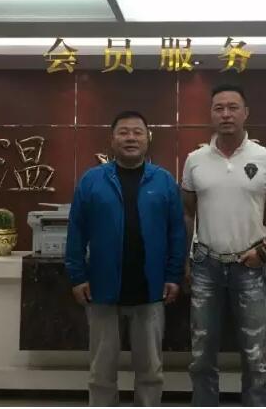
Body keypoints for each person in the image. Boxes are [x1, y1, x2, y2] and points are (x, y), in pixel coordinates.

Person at [182, 84, 266, 406]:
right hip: (205, 266)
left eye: (233, 107)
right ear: (211, 114)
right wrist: (184, 259)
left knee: (255, 355)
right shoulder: (194, 160)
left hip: (250, 266)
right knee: (201, 354)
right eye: (219, 108)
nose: (226, 114)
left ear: (246, 113)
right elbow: (187, 213)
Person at [66, 110, 187, 406]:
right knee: (101, 371)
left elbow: (177, 232)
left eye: (137, 132)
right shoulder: (92, 180)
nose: (131, 138)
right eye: (123, 132)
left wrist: (173, 275)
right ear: (112, 139)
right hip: (102, 289)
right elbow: (76, 231)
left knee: (150, 370)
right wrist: (77, 276)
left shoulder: (164, 181)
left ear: (148, 139)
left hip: (150, 289)